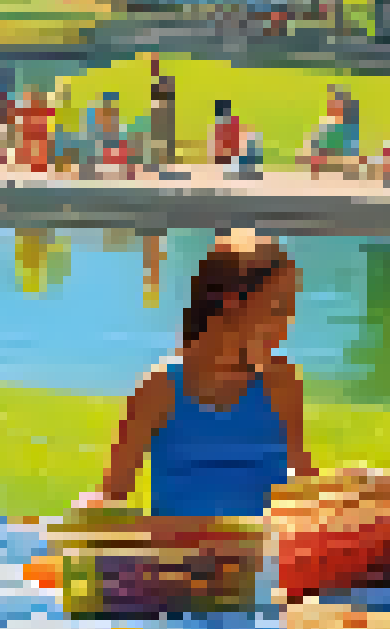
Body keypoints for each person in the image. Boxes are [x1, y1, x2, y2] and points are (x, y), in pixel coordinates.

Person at [85, 230, 314, 517]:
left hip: (265, 555)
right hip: (180, 557)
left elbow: (303, 482)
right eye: (278, 309)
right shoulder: (160, 390)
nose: (287, 325)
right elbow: (112, 497)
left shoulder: (280, 382)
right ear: (232, 303)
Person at [149, 60, 177, 171]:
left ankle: (165, 161)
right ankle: (161, 161)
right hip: (160, 110)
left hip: (165, 111)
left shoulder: (166, 83)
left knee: (165, 135)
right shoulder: (158, 85)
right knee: (159, 136)